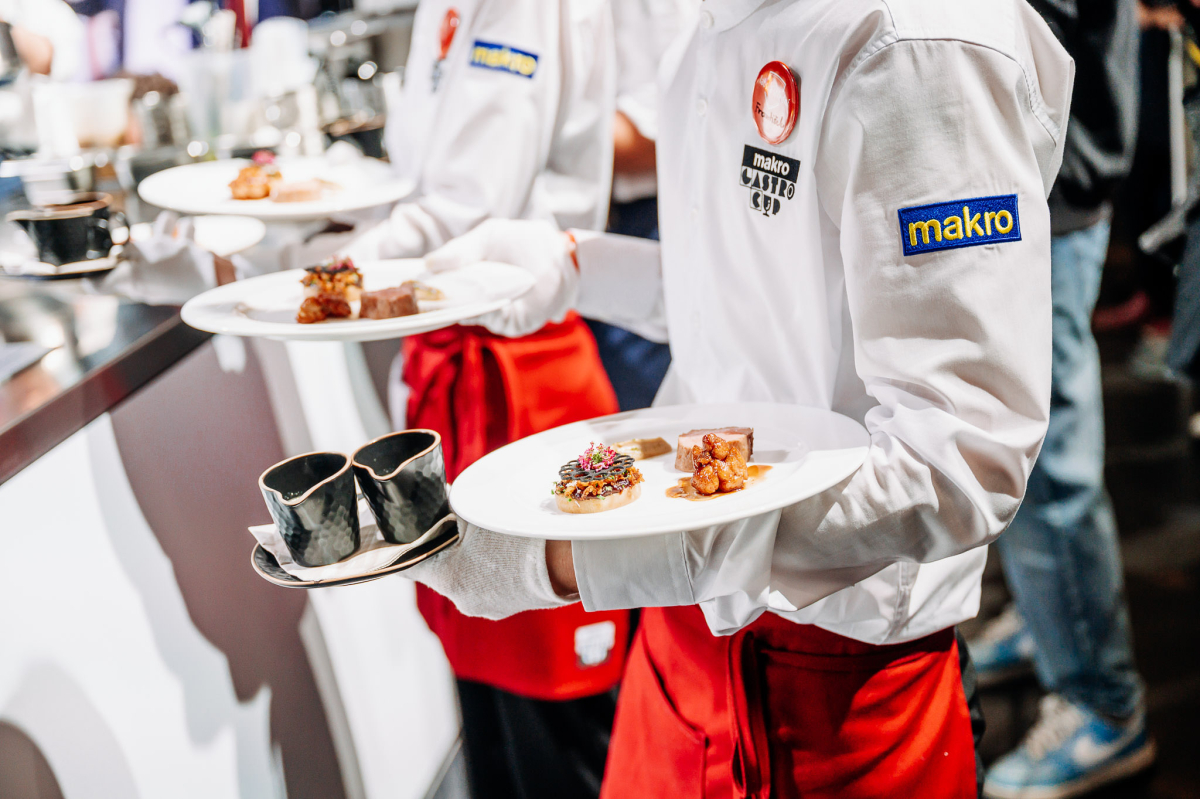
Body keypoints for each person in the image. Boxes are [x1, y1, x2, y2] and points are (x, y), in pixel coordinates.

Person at [405, 0, 1075, 795]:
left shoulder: (916, 42)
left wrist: (579, 559)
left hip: (833, 676)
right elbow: (756, 297)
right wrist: (574, 266)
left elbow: (961, 463)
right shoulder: (709, 27)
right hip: (683, 629)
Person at [343, 2, 630, 798]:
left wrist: (327, 273)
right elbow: (421, 186)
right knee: (488, 709)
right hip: (455, 375)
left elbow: (468, 209)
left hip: (525, 381)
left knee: (561, 728)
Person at [966, 2, 1158, 797]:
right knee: (1009, 439)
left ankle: (1102, 703)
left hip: (1046, 190)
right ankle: (1051, 623)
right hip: (1023, 180)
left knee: (1047, 463)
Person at [583, 0, 693, 411]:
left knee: (648, 422)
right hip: (592, 227)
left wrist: (538, 136)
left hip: (644, 221)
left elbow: (662, 126)